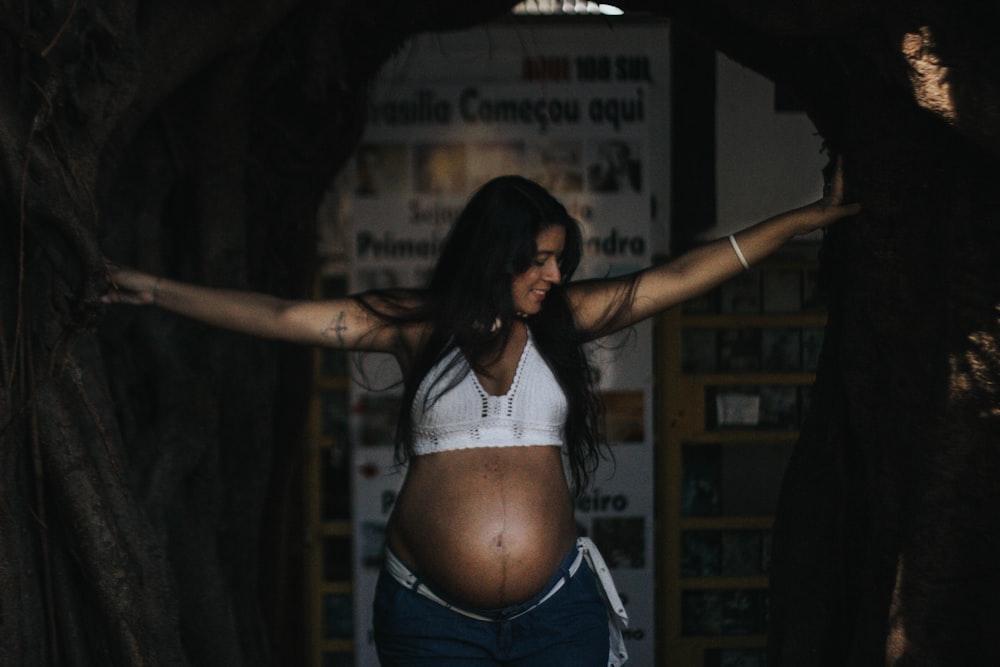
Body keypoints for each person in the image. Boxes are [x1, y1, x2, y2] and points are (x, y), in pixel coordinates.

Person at [104, 166, 859, 666]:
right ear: (494, 253)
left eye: (561, 258)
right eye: (539, 258)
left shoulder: (563, 321)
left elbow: (683, 274)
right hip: (433, 622)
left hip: (558, 616)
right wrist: (152, 288)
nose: (555, 274)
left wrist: (806, 217)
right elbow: (280, 313)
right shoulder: (412, 325)